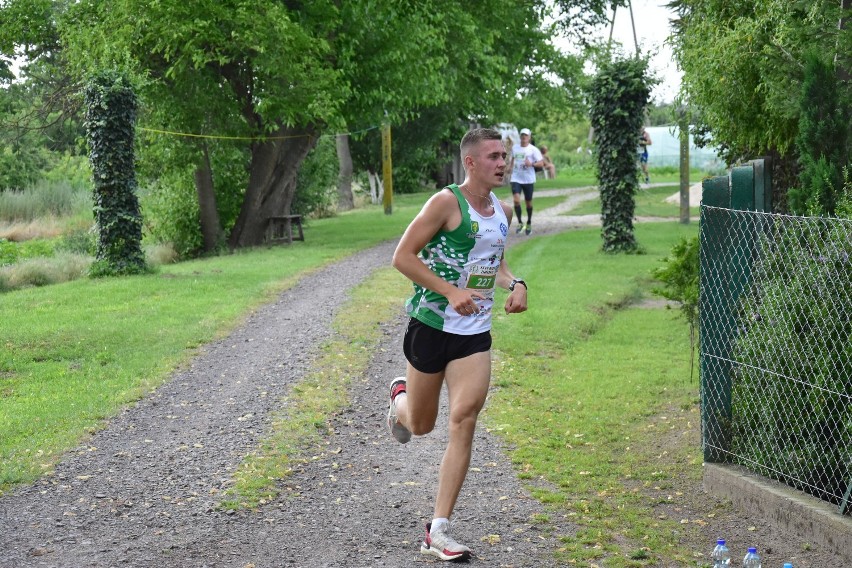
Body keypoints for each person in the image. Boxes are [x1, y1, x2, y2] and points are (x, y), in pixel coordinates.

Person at [387, 127, 529, 562]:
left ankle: (439, 529)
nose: (502, 162)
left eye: (504, 155)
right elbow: (402, 257)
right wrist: (450, 292)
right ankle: (399, 400)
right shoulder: (446, 203)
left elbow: (495, 263)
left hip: (475, 334)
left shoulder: (501, 210)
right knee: (421, 425)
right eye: (493, 156)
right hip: (431, 324)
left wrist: (515, 283)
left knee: (464, 417)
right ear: (470, 162)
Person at [509, 127, 544, 235]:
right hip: (516, 178)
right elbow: (513, 159)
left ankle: (528, 222)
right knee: (516, 200)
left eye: (526, 135)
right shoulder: (515, 148)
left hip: (528, 179)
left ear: (529, 137)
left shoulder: (533, 149)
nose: (524, 137)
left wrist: (531, 164)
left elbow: (541, 163)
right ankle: (520, 222)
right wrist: (509, 167)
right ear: (520, 137)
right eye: (522, 135)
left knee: (528, 203)